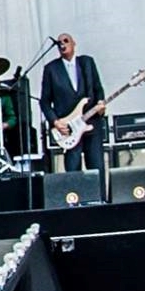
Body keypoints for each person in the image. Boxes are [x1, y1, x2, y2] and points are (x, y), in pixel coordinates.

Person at [39, 33, 106, 186]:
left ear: (74, 43)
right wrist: (56, 122)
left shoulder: (87, 62)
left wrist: (101, 105)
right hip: (69, 128)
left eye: (66, 41)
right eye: (59, 43)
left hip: (91, 123)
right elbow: (44, 101)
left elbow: (98, 89)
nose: (62, 44)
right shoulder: (51, 69)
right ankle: (75, 199)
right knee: (73, 171)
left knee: (97, 168)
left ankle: (100, 198)